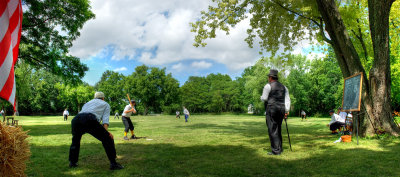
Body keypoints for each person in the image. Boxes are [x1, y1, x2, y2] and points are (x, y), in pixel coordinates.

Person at [68, 92, 123, 170]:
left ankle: (72, 162)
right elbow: (105, 121)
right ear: (103, 98)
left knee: (75, 141)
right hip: (89, 119)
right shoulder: (105, 104)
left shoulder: (88, 103)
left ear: (95, 98)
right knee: (108, 139)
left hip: (76, 119)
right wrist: (106, 133)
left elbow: (83, 113)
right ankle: (113, 163)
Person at [260, 69, 291, 155]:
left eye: (268, 77)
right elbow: (287, 100)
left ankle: (276, 151)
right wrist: (287, 110)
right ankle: (279, 148)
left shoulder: (268, 86)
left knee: (272, 129)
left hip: (271, 109)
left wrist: (261, 97)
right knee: (278, 128)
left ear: (270, 77)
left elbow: (265, 98)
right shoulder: (284, 87)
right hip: (281, 109)